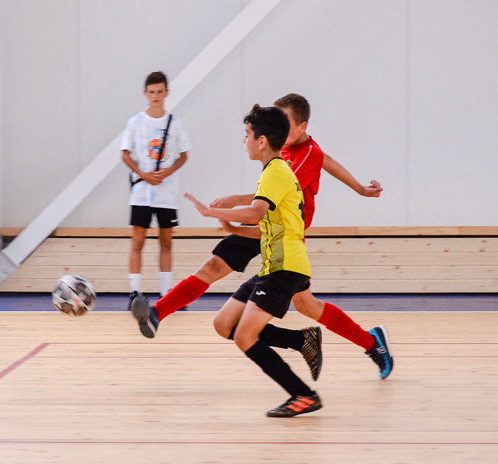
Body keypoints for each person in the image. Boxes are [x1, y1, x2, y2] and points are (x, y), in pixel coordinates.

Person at [132, 93, 393, 381]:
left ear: (302, 127)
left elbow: (268, 198)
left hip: (282, 234)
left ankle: (370, 343)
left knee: (306, 305)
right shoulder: (289, 150)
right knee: (214, 267)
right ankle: (157, 312)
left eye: (284, 121)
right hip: (267, 225)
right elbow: (326, 161)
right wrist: (358, 187)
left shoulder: (305, 154)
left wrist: (232, 202)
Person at [186, 104, 319, 416]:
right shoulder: (272, 173)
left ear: (261, 141)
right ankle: (301, 340)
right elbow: (268, 230)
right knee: (224, 324)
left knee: (245, 336)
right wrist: (233, 228)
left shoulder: (276, 171)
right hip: (273, 265)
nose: (244, 140)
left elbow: (256, 213)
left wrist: (213, 211)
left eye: (246, 135)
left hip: (286, 268)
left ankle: (303, 394)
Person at [120, 71, 191, 307]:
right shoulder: (135, 122)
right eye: (152, 92)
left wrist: (168, 172)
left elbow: (183, 155)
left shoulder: (175, 123)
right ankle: (134, 292)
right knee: (137, 241)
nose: (156, 96)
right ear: (145, 94)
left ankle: (166, 292)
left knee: (166, 241)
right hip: (141, 192)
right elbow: (125, 153)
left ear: (167, 93)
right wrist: (142, 174)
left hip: (166, 193)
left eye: (160, 92)